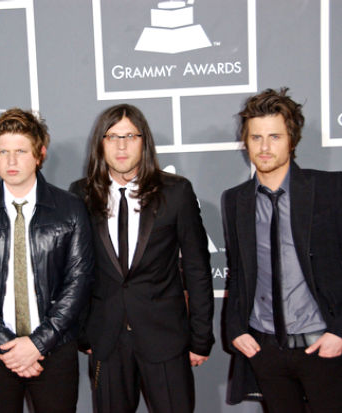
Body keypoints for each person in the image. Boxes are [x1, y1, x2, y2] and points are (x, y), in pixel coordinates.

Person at [221, 87, 342, 412]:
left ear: (292, 140)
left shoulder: (327, 188)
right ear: (246, 142)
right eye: (256, 137)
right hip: (265, 350)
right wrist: (235, 329)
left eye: (275, 136)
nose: (265, 147)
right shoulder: (236, 200)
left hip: (321, 346)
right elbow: (239, 272)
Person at [70, 103, 214, 413]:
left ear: (143, 142)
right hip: (106, 342)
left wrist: (200, 337)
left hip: (166, 339)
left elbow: (197, 269)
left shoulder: (176, 192)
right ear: (100, 143)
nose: (121, 146)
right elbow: (77, 272)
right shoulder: (80, 194)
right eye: (112, 137)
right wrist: (84, 332)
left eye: (130, 136)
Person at [0, 108, 94, 413]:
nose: (11, 161)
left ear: (40, 154)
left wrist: (38, 343)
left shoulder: (70, 209)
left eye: (20, 151)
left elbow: (78, 282)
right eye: (3, 151)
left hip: (55, 350)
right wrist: (8, 345)